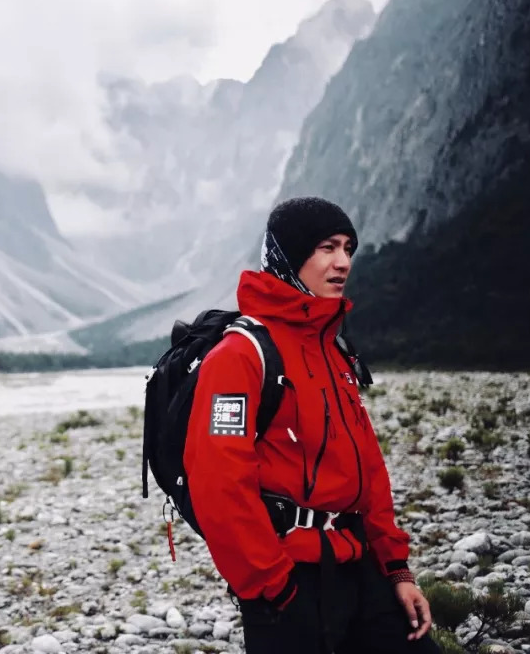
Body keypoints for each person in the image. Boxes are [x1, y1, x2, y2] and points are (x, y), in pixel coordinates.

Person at [183, 197, 437, 654]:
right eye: (326, 248)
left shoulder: (333, 350)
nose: (343, 262)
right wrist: (272, 585)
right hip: (290, 578)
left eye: (348, 249)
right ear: (288, 255)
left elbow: (368, 470)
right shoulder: (240, 356)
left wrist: (395, 568)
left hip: (360, 566)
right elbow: (218, 483)